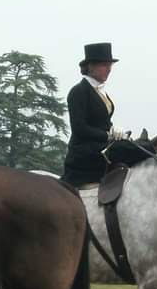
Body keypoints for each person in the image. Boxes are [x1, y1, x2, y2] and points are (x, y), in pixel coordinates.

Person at [62, 42, 149, 187]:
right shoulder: (78, 91)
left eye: (110, 66)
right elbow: (80, 128)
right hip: (86, 150)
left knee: (137, 145)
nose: (109, 70)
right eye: (104, 65)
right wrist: (108, 135)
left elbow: (102, 122)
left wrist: (115, 131)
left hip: (102, 145)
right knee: (136, 150)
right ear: (90, 67)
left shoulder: (100, 91)